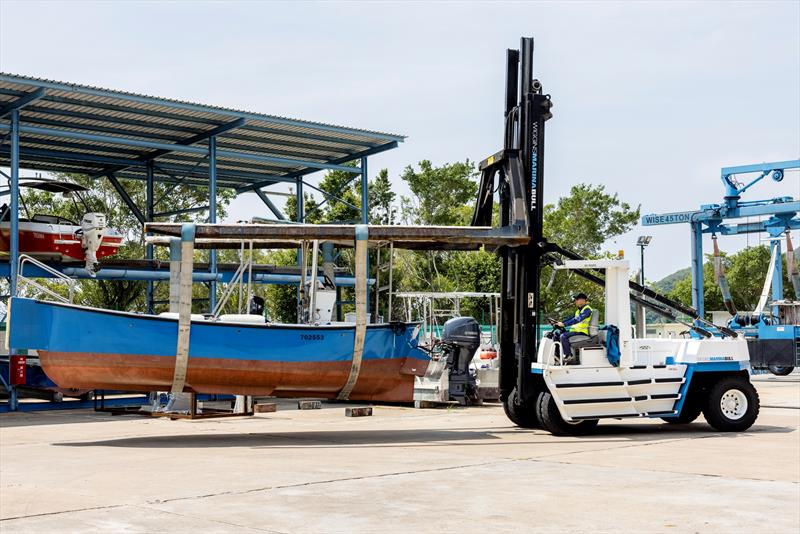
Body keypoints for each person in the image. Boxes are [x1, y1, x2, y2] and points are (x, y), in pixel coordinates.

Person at [556, 293, 593, 363]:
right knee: (556, 334)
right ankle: (557, 356)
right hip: (576, 331)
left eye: (577, 299)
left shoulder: (587, 310)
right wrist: (559, 322)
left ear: (583, 300)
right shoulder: (578, 311)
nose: (575, 301)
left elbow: (578, 319)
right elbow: (570, 318)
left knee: (563, 336)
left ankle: (569, 355)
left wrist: (564, 324)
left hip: (582, 332)